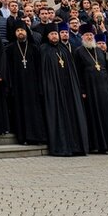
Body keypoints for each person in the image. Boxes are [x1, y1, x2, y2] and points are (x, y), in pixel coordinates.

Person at [38, 24, 89, 156]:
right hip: (54, 90)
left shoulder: (64, 49)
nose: (55, 36)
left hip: (68, 90)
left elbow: (72, 71)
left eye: (56, 34)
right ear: (47, 36)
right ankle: (61, 147)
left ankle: (76, 146)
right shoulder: (43, 49)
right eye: (52, 34)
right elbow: (43, 72)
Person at [75, 30, 108, 154]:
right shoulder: (79, 52)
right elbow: (78, 73)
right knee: (96, 116)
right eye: (86, 35)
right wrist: (82, 90)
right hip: (91, 88)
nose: (89, 37)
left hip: (106, 88)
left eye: (90, 35)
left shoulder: (100, 51)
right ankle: (102, 146)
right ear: (82, 37)